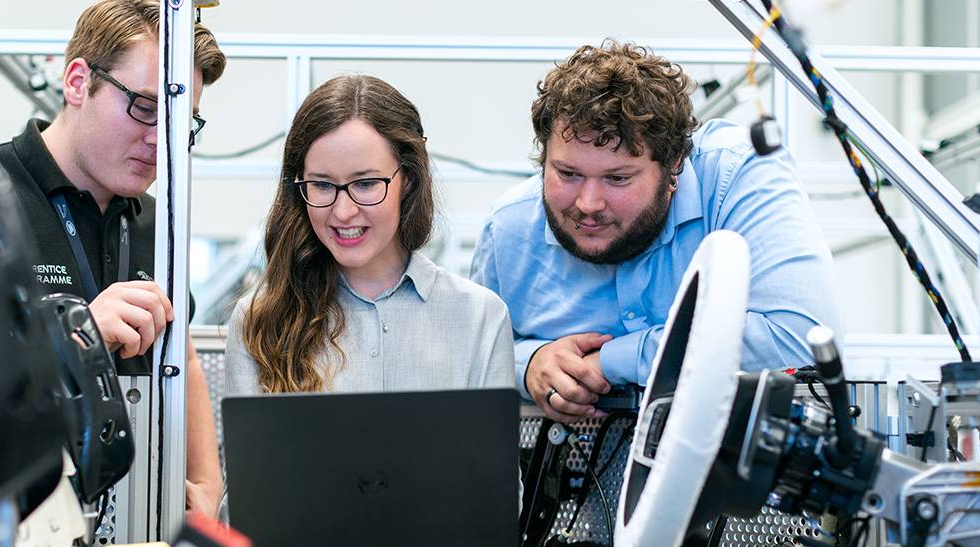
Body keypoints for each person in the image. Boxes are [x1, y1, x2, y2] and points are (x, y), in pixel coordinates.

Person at [471, 40, 843, 423]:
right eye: (568, 174)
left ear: (674, 163)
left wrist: (610, 361)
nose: (588, 203)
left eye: (617, 178)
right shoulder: (508, 231)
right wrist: (530, 363)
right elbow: (471, 358)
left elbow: (799, 339)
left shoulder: (737, 176)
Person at [0, 0, 226, 517]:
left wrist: (207, 482)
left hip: (137, 519)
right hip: (18, 514)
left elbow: (182, 356)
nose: (160, 140)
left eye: (180, 121)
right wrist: (78, 337)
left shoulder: (159, 223)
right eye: (145, 107)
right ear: (78, 82)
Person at [225, 74, 514, 394]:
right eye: (322, 185)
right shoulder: (258, 322)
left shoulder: (480, 318)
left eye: (365, 184)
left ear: (409, 180)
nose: (343, 211)